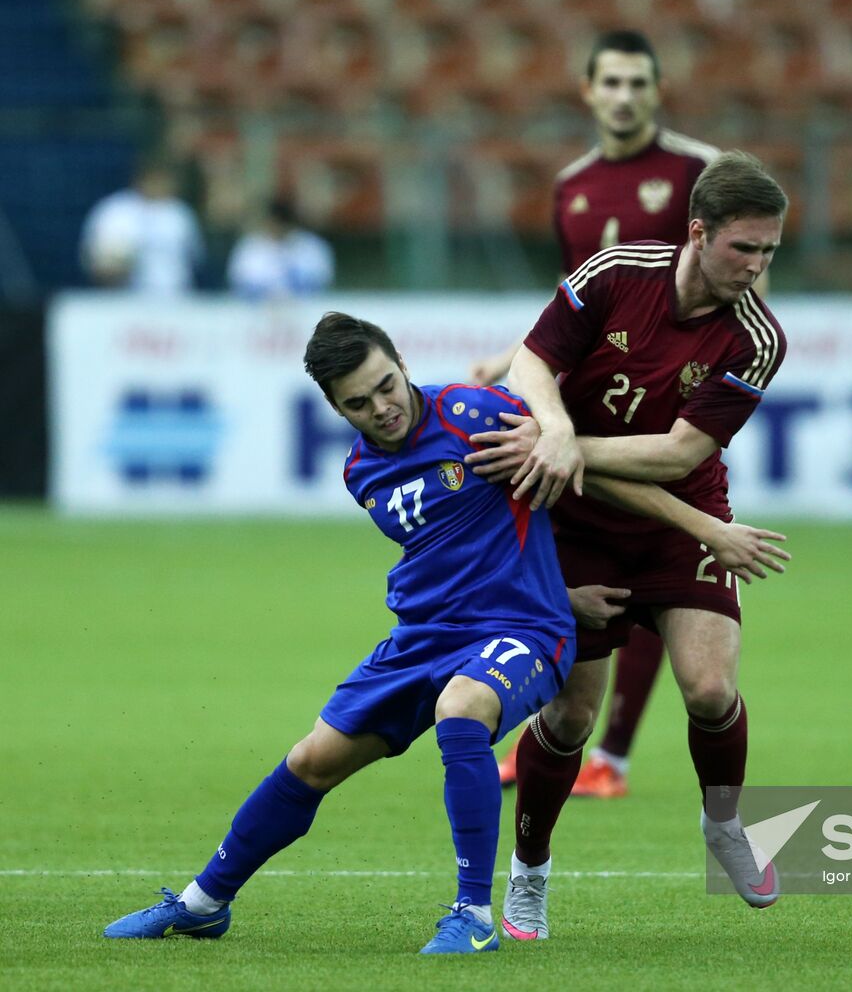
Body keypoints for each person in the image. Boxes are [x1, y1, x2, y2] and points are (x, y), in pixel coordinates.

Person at [102, 311, 788, 954]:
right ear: (337, 409)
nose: (382, 409)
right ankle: (202, 902)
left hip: (522, 630)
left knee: (463, 709)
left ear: (402, 364)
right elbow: (454, 549)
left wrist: (694, 533)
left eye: (386, 387)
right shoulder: (360, 471)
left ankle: (473, 915)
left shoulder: (477, 416)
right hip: (423, 637)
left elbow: (579, 470)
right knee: (312, 760)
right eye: (359, 404)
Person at [465, 150, 790, 937]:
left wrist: (556, 443)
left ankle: (723, 826)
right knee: (573, 719)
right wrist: (555, 430)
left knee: (710, 692)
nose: (756, 266)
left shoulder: (757, 341)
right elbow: (533, 363)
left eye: (770, 251)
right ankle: (531, 874)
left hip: (681, 513)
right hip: (573, 522)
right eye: (743, 247)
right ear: (698, 231)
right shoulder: (614, 271)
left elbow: (679, 456)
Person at [472, 29, 724, 800]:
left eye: (637, 83)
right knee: (592, 566)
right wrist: (511, 355)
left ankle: (610, 755)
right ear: (588, 91)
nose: (624, 96)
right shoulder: (571, 185)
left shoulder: (697, 172)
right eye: (610, 83)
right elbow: (570, 300)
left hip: (674, 402)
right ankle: (569, 734)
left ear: (658, 90)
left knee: (659, 567)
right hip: (591, 404)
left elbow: (740, 291)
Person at [79, 155, 204, 294]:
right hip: (123, 300)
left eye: (164, 179)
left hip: (176, 300)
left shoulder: (180, 213)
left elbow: (195, 261)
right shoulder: (114, 211)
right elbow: (96, 263)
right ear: (139, 179)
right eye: (153, 179)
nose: (159, 184)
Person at [226, 197, 334, 299]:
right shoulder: (250, 247)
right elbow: (238, 282)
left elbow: (322, 281)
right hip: (257, 310)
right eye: (273, 224)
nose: (277, 229)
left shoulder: (312, 247)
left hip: (304, 308)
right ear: (267, 222)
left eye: (281, 225)